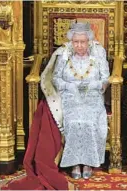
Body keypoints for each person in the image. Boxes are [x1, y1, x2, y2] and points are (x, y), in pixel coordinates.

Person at [41, 22, 110, 179]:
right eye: (76, 42)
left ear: (89, 41)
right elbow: (56, 78)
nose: (79, 45)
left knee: (89, 121)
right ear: (71, 42)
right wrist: (68, 86)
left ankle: (87, 162)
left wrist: (95, 85)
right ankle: (74, 162)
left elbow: (106, 79)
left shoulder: (98, 54)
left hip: (92, 96)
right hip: (69, 96)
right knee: (73, 121)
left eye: (82, 42)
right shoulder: (64, 55)